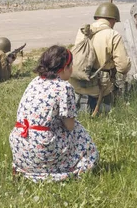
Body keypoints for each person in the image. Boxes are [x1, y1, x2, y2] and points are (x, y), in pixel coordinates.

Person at [9, 45, 99, 182]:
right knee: (79, 131)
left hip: (20, 144)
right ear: (64, 68)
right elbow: (69, 126)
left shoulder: (35, 82)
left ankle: (29, 171)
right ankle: (79, 166)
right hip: (41, 147)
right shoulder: (64, 87)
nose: (72, 69)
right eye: (71, 66)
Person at [71, 2, 131, 114]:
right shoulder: (113, 34)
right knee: (113, 110)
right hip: (100, 89)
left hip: (76, 84)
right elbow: (123, 67)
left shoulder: (83, 31)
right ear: (113, 20)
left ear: (97, 17)